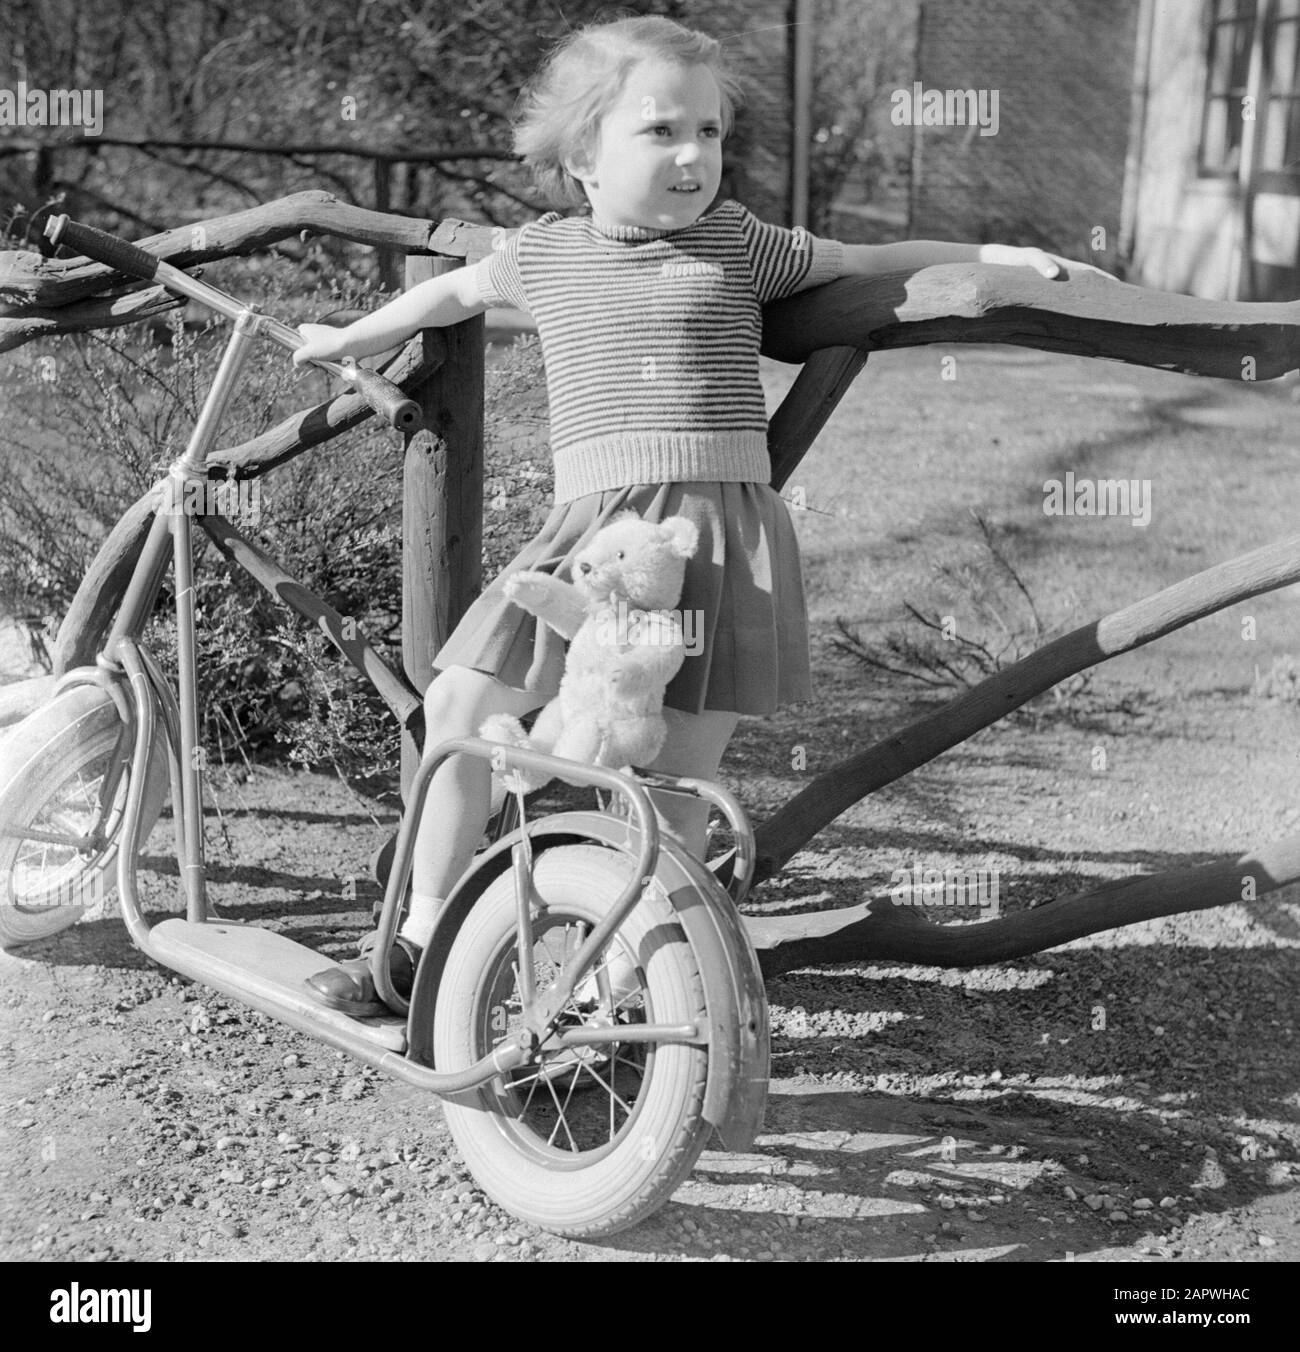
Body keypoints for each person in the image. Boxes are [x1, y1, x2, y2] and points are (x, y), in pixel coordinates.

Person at [293, 15, 1099, 1011]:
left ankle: (622, 988)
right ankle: (417, 937)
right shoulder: (543, 256)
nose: (694, 155)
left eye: (710, 133)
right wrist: (344, 335)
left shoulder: (735, 242)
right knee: (461, 701)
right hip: (587, 540)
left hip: (713, 545)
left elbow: (866, 256)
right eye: (661, 130)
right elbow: (448, 293)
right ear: (584, 152)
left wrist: (997, 252)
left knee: (670, 781)